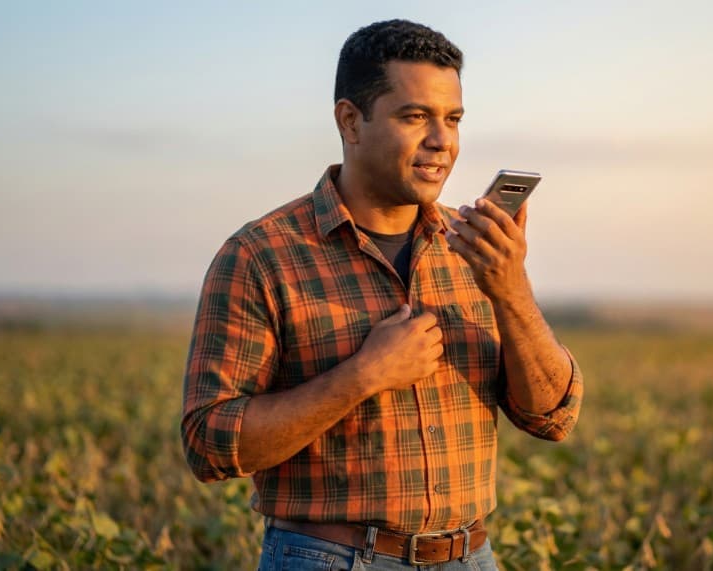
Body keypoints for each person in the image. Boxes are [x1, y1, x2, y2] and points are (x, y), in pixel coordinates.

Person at [180, 19, 583, 570]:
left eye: (453, 119)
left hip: (472, 555)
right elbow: (209, 443)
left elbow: (553, 418)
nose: (441, 141)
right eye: (415, 117)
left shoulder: (473, 251)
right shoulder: (262, 256)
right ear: (350, 120)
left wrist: (511, 291)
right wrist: (362, 375)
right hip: (330, 557)